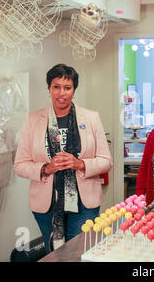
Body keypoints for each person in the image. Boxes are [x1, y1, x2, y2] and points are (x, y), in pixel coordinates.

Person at [13, 64, 112, 254]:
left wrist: (80, 164)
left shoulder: (91, 118)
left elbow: (106, 161)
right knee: (55, 254)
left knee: (78, 253)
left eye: (67, 88)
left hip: (85, 203)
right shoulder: (33, 120)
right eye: (56, 86)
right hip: (47, 203)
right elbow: (19, 165)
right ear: (49, 88)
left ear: (74, 90)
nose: (61, 93)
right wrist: (45, 169)